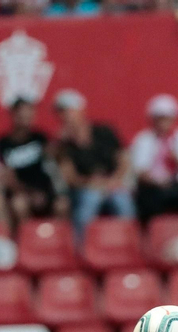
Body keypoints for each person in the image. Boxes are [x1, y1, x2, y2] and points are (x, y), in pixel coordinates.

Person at [53, 90, 132, 244]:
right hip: (85, 188)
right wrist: (91, 183)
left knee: (122, 200)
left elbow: (123, 160)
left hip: (112, 184)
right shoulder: (63, 145)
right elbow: (70, 178)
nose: (65, 116)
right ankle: (82, 249)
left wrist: (114, 180)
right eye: (61, 112)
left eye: (68, 111)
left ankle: (129, 245)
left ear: (81, 111)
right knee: (90, 200)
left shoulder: (104, 131)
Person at [128, 94, 178, 223]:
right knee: (147, 199)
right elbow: (140, 172)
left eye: (167, 118)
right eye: (159, 118)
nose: (163, 122)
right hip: (154, 186)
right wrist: (157, 181)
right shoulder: (144, 139)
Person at [0, 98, 61, 222]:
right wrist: (29, 193)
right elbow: (7, 177)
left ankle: (56, 239)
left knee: (62, 205)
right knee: (19, 205)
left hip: (44, 191)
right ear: (13, 115)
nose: (27, 117)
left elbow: (53, 166)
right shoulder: (3, 143)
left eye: (30, 114)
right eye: (22, 114)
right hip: (21, 192)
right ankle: (27, 239)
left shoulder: (41, 138)